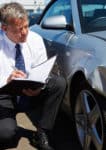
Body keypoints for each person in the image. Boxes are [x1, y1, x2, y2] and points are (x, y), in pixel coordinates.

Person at [0, 2, 66, 150]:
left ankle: (43, 133)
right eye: (18, 29)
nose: (24, 32)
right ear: (4, 29)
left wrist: (40, 85)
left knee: (58, 83)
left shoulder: (35, 39)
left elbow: (42, 69)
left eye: (26, 26)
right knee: (6, 135)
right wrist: (7, 80)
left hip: (30, 92)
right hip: (4, 96)